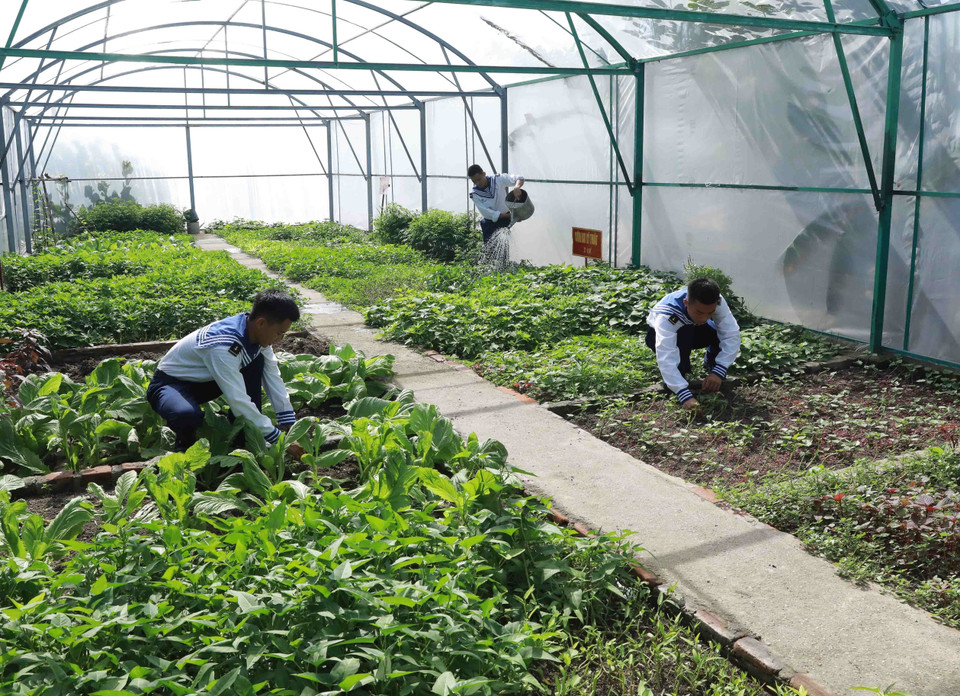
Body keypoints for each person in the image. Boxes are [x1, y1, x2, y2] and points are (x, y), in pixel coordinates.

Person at [146, 289, 299, 451]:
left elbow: (272, 375)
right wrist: (278, 439)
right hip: (169, 385)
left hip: (205, 382)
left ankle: (245, 437)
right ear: (261, 323)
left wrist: (288, 421)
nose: (279, 339)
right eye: (279, 333)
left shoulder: (255, 332)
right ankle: (184, 451)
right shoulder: (224, 345)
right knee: (187, 415)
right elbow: (238, 400)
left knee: (256, 361)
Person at [645, 277, 741, 411]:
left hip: (693, 329)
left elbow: (731, 333)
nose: (704, 317)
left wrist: (719, 371)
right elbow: (666, 354)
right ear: (686, 303)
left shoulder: (716, 300)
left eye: (710, 313)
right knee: (684, 336)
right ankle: (679, 376)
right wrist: (684, 394)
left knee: (715, 330)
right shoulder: (667, 315)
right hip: (661, 336)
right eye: (699, 312)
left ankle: (712, 366)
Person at [468, 164, 525, 243]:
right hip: (489, 224)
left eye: (479, 179)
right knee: (490, 251)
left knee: (504, 247)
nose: (478, 183)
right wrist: (510, 216)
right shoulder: (475, 194)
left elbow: (519, 178)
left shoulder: (497, 179)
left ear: (484, 174)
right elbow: (487, 213)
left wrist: (517, 187)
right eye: (474, 181)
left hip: (505, 220)